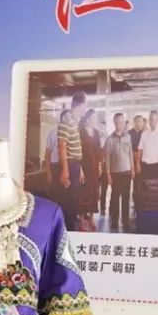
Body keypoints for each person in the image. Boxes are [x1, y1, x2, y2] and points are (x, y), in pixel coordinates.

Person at [57, 92, 87, 230]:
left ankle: (72, 228)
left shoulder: (75, 121)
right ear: (81, 105)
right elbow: (62, 146)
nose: (86, 108)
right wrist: (65, 170)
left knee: (74, 200)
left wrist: (80, 169)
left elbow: (74, 147)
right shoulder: (67, 121)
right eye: (86, 104)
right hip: (69, 165)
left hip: (75, 165)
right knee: (69, 203)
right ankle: (68, 231)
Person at [105, 112, 134, 231]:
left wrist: (132, 169)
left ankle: (126, 222)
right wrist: (108, 174)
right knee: (115, 199)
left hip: (127, 172)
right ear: (114, 123)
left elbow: (130, 154)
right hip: (115, 174)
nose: (120, 124)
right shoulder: (109, 139)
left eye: (122, 122)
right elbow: (107, 158)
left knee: (126, 199)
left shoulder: (128, 137)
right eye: (118, 122)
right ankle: (114, 222)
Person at [78, 109, 102, 230]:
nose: (95, 120)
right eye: (93, 118)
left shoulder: (96, 132)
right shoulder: (81, 132)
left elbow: (99, 149)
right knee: (84, 193)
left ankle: (91, 217)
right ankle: (82, 219)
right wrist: (80, 169)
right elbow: (78, 152)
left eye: (95, 118)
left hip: (94, 167)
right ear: (88, 119)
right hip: (84, 167)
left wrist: (100, 165)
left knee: (94, 192)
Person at [135, 109, 158, 179]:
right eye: (150, 119)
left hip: (156, 167)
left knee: (155, 185)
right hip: (144, 166)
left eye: (152, 119)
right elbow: (140, 150)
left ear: (157, 120)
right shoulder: (144, 133)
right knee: (144, 185)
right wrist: (137, 164)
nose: (150, 122)